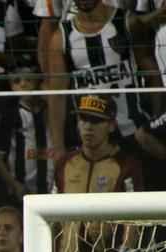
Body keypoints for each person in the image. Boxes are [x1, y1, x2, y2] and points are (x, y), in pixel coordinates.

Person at [45, 0, 153, 156]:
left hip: (134, 130)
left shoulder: (127, 23)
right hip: (90, 139)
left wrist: (154, 121)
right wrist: (58, 146)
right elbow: (57, 96)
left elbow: (150, 71)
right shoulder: (60, 38)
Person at [0, 61, 53, 205]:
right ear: (11, 86)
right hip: (21, 190)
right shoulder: (9, 115)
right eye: (17, 81)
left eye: (28, 80)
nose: (23, 84)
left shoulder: (50, 111)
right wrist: (14, 185)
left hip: (50, 188)